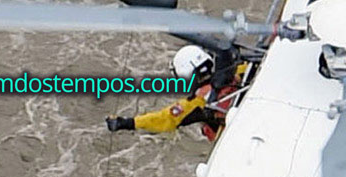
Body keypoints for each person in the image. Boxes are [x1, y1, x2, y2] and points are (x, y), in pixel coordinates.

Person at [106, 45, 248, 141]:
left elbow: (163, 119)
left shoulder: (195, 104)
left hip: (236, 137)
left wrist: (126, 123)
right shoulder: (241, 70)